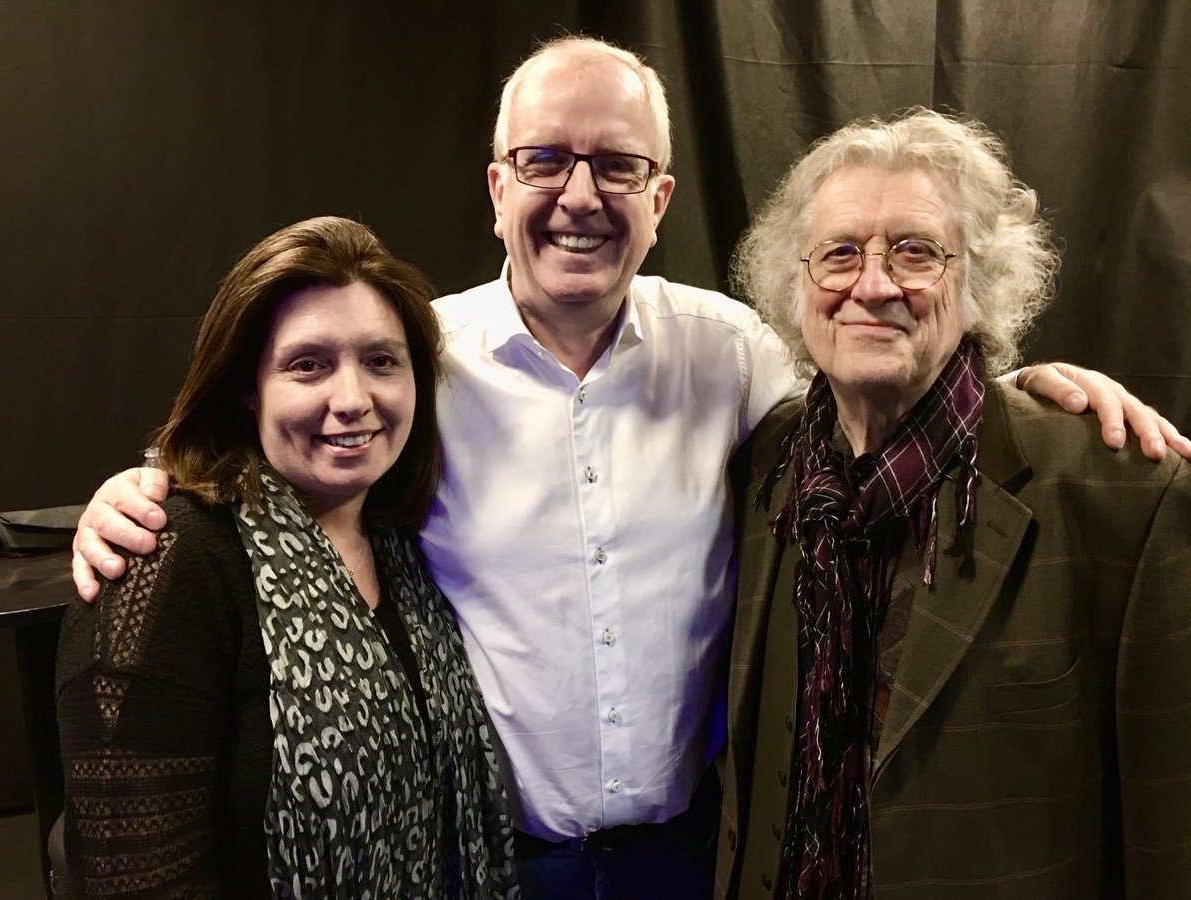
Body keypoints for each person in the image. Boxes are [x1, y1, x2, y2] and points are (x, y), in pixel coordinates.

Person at [69, 39, 1191, 900]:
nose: (579, 194)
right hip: (498, 863)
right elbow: (287, 456)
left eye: (618, 165)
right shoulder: (413, 369)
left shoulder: (736, 354)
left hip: (701, 855)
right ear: (498, 186)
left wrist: (1029, 384)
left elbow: (889, 391)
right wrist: (153, 489)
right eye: (545, 161)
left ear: (659, 200)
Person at [716, 109, 1191, 899]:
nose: (872, 285)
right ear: (796, 287)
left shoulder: (1125, 496)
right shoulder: (764, 467)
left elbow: (1174, 831)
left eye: (915, 251)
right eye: (839, 253)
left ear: (978, 282)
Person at [56, 217, 517, 898]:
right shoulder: (170, 560)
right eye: (309, 365)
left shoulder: (407, 547)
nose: (353, 399)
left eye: (382, 362)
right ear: (249, 386)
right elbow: (134, 877)